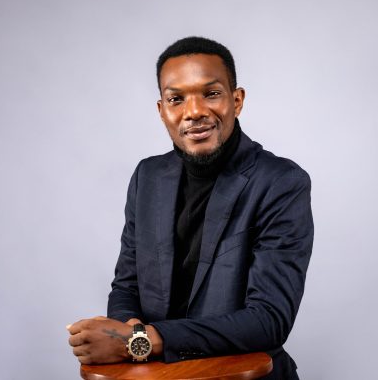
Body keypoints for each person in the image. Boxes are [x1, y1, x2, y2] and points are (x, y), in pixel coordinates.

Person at [68, 36, 313, 379]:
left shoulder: (281, 182)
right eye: (176, 99)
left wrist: (139, 342)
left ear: (237, 100)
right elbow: (127, 286)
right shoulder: (147, 177)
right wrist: (131, 332)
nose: (194, 111)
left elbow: (269, 320)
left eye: (211, 93)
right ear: (161, 110)